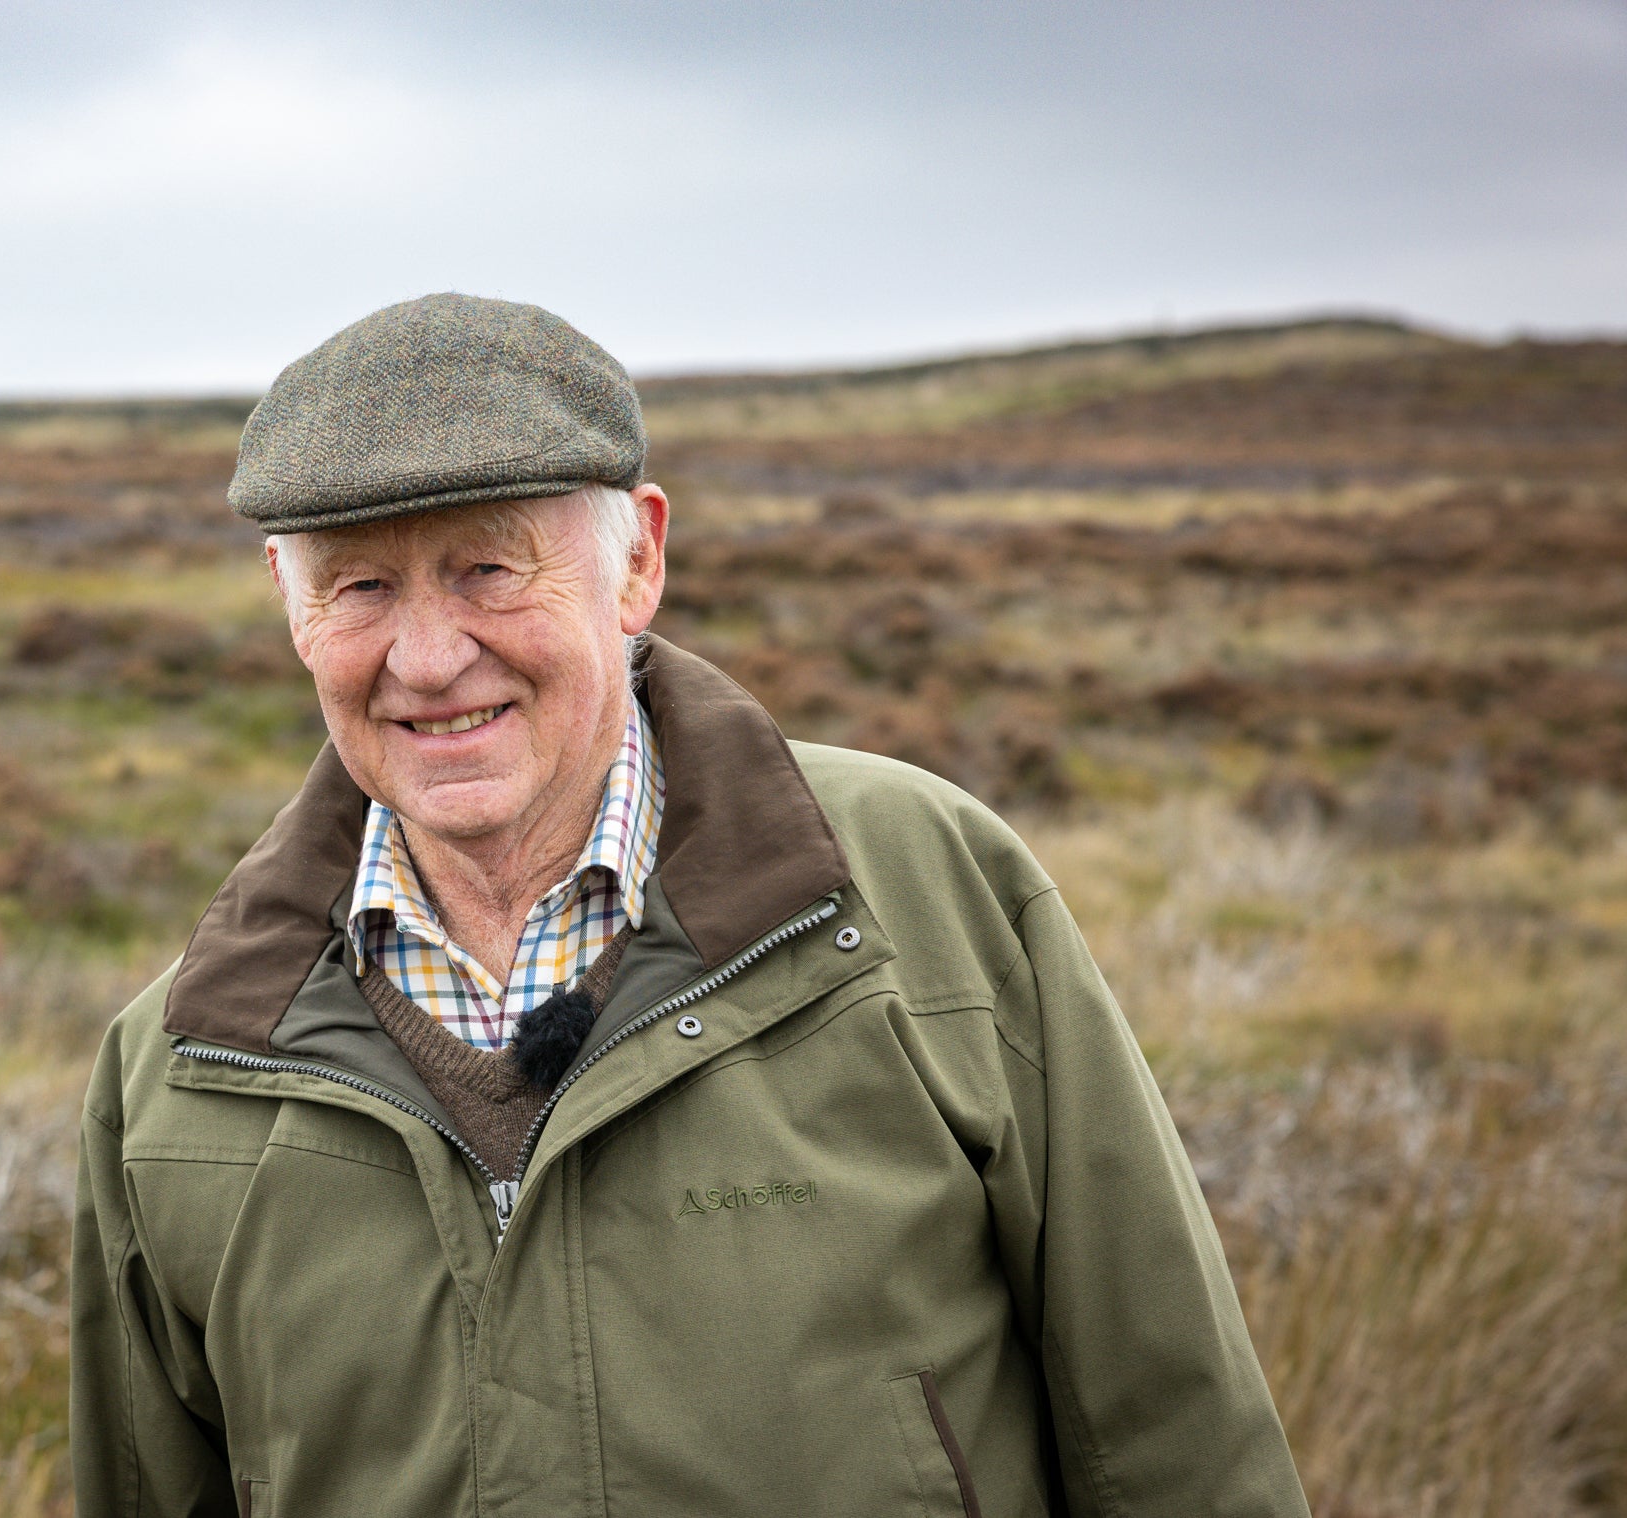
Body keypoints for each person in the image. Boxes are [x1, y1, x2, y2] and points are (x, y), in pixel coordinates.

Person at [70, 294, 1309, 1517]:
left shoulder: (925, 892)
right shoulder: (180, 1068)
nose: (429, 656)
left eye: (488, 569)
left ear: (639, 561)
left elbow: (1172, 1435)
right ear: (290, 609)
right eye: (359, 590)